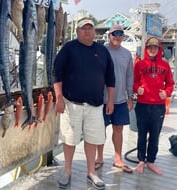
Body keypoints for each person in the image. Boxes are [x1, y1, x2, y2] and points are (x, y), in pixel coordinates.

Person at [53, 17, 115, 189]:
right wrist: (58, 98)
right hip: (71, 104)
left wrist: (110, 100)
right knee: (69, 139)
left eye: (90, 28)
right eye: (83, 28)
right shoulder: (69, 48)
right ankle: (67, 171)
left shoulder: (102, 51)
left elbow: (110, 78)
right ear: (77, 31)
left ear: (95, 31)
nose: (87, 31)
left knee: (93, 139)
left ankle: (91, 172)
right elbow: (56, 74)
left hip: (95, 106)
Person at [95, 24, 134, 173]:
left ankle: (118, 159)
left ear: (123, 36)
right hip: (102, 99)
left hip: (120, 99)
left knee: (119, 129)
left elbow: (130, 75)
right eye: (114, 33)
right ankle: (99, 158)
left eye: (120, 34)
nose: (117, 36)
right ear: (109, 35)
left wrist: (130, 96)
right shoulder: (101, 51)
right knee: (100, 129)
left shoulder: (126, 54)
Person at [133, 36, 174, 175]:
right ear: (146, 48)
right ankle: (140, 161)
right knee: (141, 134)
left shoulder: (165, 65)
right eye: (150, 47)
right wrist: (137, 88)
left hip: (158, 106)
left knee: (155, 135)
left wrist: (167, 92)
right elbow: (134, 81)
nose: (152, 49)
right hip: (142, 105)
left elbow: (170, 84)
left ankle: (150, 161)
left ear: (159, 49)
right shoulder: (139, 64)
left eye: (155, 47)